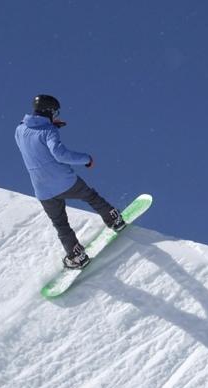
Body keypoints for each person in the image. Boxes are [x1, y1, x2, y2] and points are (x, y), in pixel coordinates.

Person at [15, 94, 126, 269]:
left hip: (42, 190)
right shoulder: (49, 131)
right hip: (64, 181)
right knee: (90, 196)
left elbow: (32, 142)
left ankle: (76, 255)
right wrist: (86, 159)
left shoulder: (19, 130)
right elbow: (60, 154)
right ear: (49, 111)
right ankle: (114, 218)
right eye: (55, 112)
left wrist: (48, 126)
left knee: (60, 223)